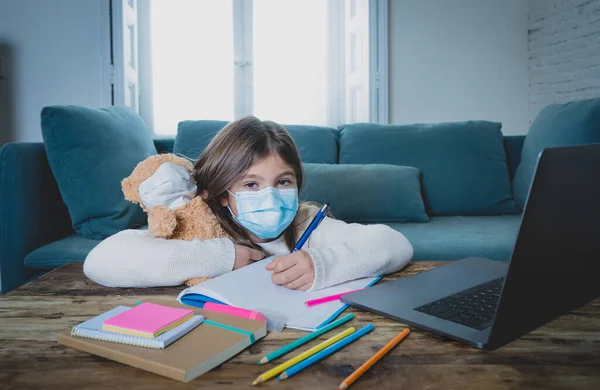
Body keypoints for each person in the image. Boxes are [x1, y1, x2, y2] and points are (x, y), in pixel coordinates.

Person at [84, 116, 414, 291]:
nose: (270, 195)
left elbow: (394, 244)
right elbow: (100, 261)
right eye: (251, 184)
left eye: (283, 181)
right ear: (224, 193)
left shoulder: (305, 223)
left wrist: (323, 263)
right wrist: (221, 257)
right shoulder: (204, 227)